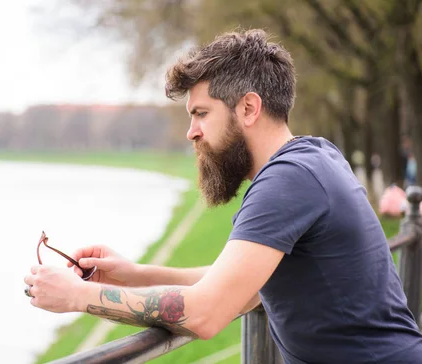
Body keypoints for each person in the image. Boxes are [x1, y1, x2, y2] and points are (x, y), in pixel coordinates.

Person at [24, 29, 422, 363]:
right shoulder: (315, 156)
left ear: (248, 107)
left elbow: (207, 313)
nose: (191, 132)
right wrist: (137, 273)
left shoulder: (288, 180)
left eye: (200, 113)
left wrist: (78, 295)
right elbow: (242, 288)